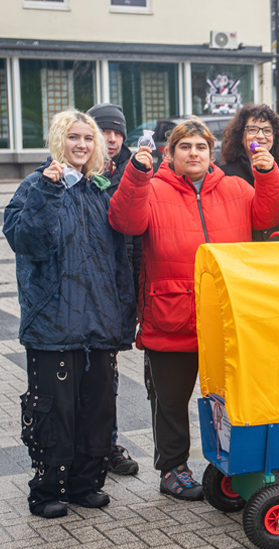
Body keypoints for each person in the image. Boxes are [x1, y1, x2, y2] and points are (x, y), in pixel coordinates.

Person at [109, 117, 279, 501]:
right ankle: (173, 468)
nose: (194, 153)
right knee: (171, 402)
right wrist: (137, 175)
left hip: (225, 317)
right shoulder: (153, 189)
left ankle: (234, 462)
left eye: (201, 147)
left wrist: (269, 173)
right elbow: (124, 219)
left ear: (212, 154)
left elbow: (270, 215)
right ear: (169, 154)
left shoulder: (237, 188)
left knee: (233, 398)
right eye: (185, 147)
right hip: (170, 314)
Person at [4, 109, 136, 518]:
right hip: (53, 324)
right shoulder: (33, 187)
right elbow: (30, 244)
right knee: (53, 411)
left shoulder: (101, 192)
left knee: (96, 409)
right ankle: (47, 489)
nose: (81, 145)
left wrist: (121, 319)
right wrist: (48, 192)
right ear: (59, 140)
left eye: (88, 138)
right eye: (73, 137)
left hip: (98, 323)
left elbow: (120, 260)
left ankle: (84, 483)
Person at [86, 102, 141, 477]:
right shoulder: (79, 172)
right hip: (88, 284)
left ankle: (107, 443)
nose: (111, 138)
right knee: (85, 370)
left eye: (117, 132)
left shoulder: (134, 171)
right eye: (104, 131)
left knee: (109, 369)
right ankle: (87, 446)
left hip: (124, 282)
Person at [220, 104, 279, 240]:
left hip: (277, 251)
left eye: (267, 130)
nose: (260, 136)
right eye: (253, 129)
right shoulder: (225, 174)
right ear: (241, 137)